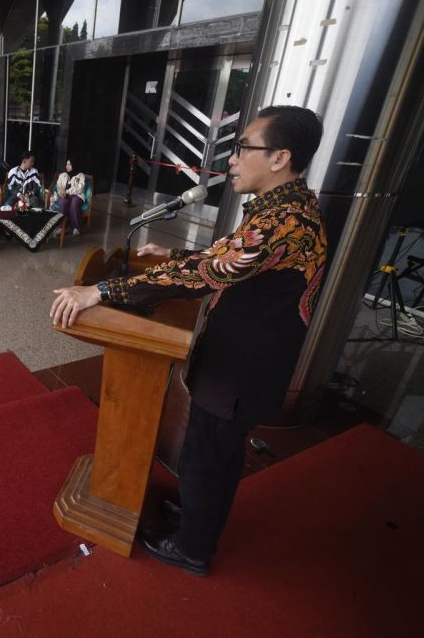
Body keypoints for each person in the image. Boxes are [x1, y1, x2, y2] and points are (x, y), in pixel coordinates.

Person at [48, 105, 328, 577]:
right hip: (243, 359)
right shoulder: (287, 209)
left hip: (241, 368)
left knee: (206, 456)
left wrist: (99, 289)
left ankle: (192, 549)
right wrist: (175, 252)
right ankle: (199, 521)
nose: (233, 160)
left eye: (242, 148)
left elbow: (210, 271)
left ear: (280, 157)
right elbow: (237, 261)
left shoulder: (283, 221)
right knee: (213, 455)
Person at [50, 159, 87, 235]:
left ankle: (76, 228)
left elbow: (80, 188)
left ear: (74, 165)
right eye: (67, 164)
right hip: (64, 195)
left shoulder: (81, 175)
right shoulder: (62, 175)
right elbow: (58, 186)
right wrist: (60, 192)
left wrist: (67, 191)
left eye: (70, 164)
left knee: (74, 203)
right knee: (63, 203)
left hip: (77, 195)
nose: (67, 166)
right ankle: (62, 227)